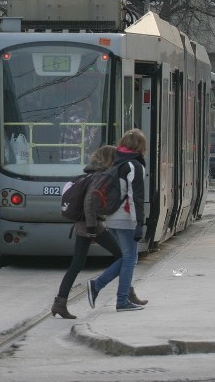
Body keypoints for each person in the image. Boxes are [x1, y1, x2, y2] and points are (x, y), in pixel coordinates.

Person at [52, 145, 123, 319]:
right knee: (124, 257)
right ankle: (122, 292)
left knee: (76, 266)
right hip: (91, 225)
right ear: (109, 160)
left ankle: (59, 303)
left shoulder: (90, 175)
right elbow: (89, 202)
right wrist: (92, 229)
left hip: (84, 224)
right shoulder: (99, 176)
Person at [86, 128, 148, 312]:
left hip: (112, 218)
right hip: (126, 219)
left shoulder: (117, 163)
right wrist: (139, 224)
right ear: (140, 147)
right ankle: (118, 299)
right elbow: (135, 198)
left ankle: (111, 291)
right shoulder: (134, 166)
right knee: (130, 259)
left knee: (125, 258)